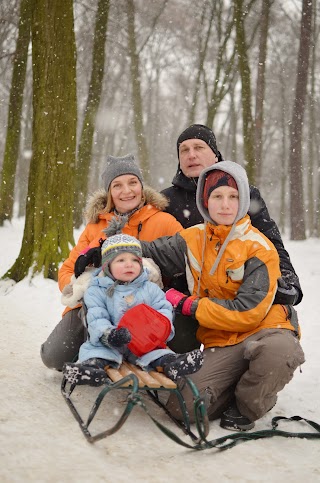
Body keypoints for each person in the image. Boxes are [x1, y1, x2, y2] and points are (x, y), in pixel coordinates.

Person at [140, 160, 305, 431]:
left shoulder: (259, 247)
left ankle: (250, 403)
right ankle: (240, 381)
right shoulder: (193, 238)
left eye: (233, 196)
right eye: (217, 196)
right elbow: (151, 251)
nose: (225, 204)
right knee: (182, 407)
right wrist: (107, 250)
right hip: (222, 339)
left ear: (242, 201)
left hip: (266, 329)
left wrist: (188, 305)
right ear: (205, 201)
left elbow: (246, 312)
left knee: (278, 354)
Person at [40, 154, 183, 371]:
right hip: (98, 305)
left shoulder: (164, 222)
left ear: (141, 187)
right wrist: (84, 288)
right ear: (109, 192)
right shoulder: (96, 225)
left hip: (141, 307)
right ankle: (96, 348)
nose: (126, 191)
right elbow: (68, 269)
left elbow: (183, 258)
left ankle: (136, 354)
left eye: (133, 182)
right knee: (54, 357)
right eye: (117, 185)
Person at [161, 124, 302, 307]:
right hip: (184, 299)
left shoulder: (244, 194)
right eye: (184, 150)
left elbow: (270, 242)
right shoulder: (165, 200)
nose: (191, 155)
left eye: (199, 147)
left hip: (239, 294)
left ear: (215, 154)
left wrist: (288, 279)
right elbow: (158, 250)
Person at [62, 228, 203, 385]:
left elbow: (163, 310)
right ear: (107, 266)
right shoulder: (97, 290)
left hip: (143, 343)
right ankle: (90, 371)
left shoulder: (149, 288)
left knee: (158, 353)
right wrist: (109, 334)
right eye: (121, 260)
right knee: (97, 353)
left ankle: (173, 363)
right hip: (109, 343)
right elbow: (96, 318)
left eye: (135, 260)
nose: (129, 265)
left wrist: (159, 329)